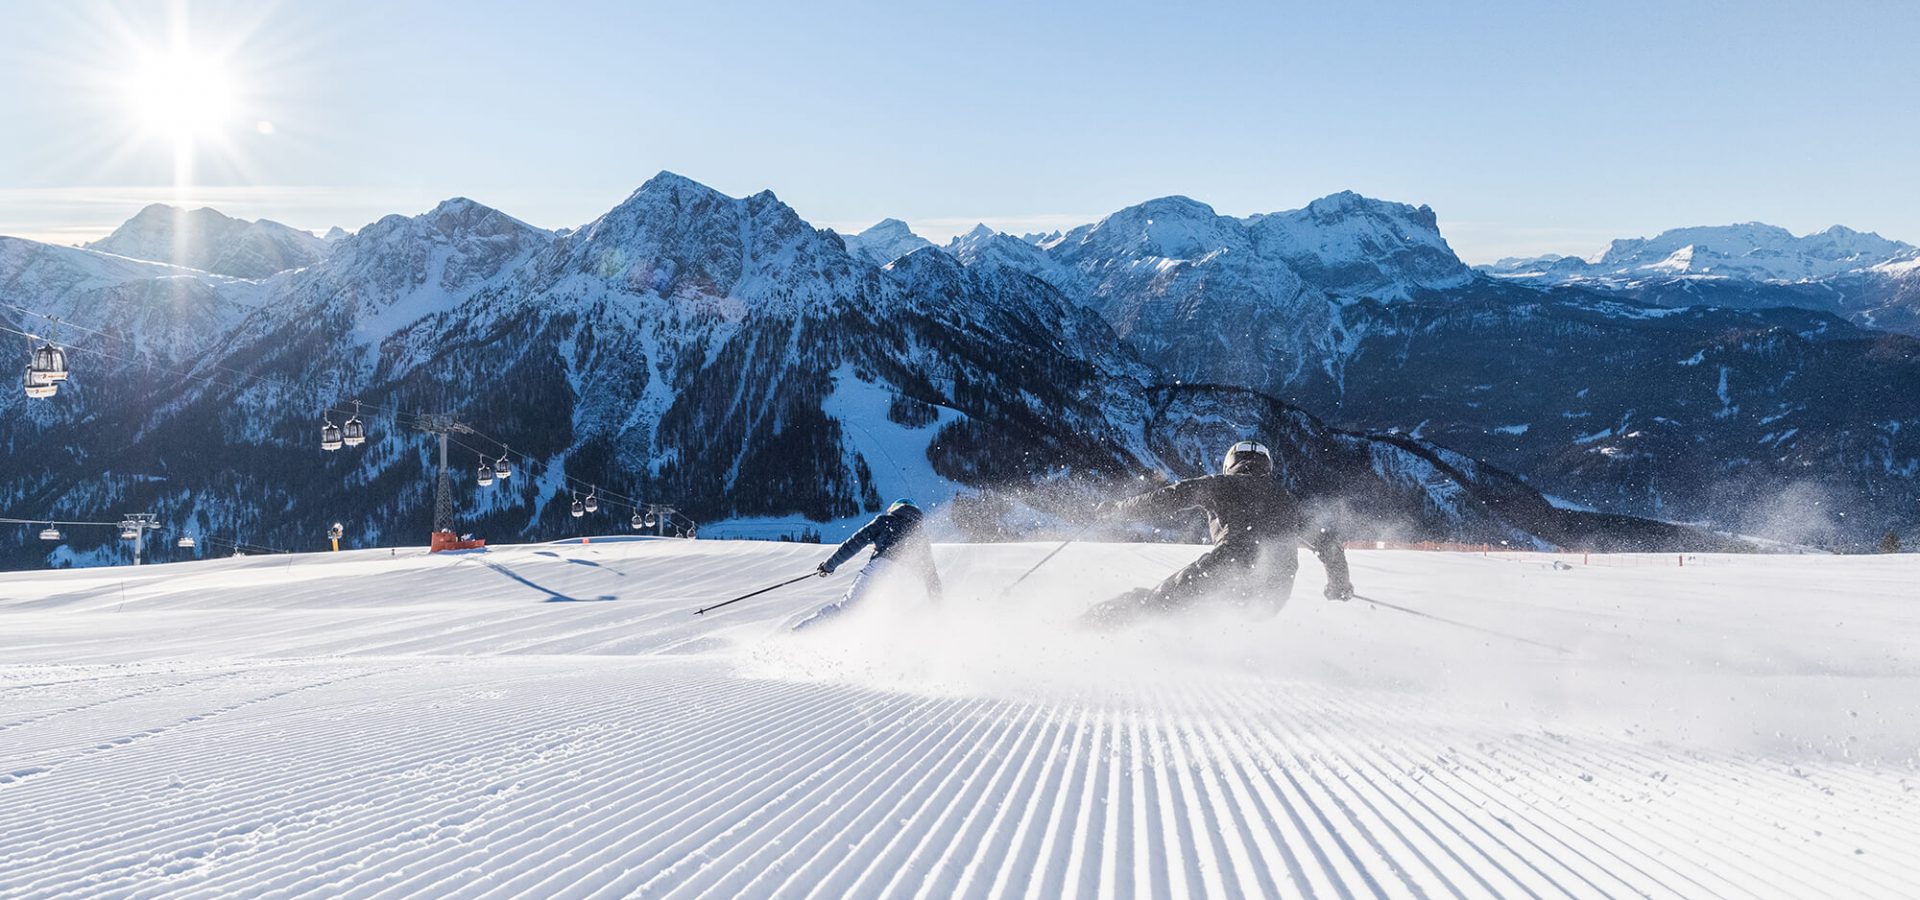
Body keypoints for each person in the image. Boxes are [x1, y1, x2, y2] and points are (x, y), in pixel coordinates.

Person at [1083, 440, 1353, 627]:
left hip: (1230, 568)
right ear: (1267, 467)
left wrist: (1117, 510)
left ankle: (1086, 628)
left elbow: (1166, 499)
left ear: (1230, 464)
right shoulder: (1288, 500)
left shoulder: (1219, 485)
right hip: (1275, 592)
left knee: (1155, 603)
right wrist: (1339, 584)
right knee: (1206, 614)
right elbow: (1329, 544)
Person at [793, 499, 944, 630]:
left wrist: (829, 566)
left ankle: (799, 633)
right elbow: (931, 575)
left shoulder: (886, 521)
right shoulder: (920, 535)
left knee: (847, 610)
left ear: (895, 508)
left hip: (881, 568)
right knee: (885, 621)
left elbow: (853, 544)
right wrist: (938, 608)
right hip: (903, 580)